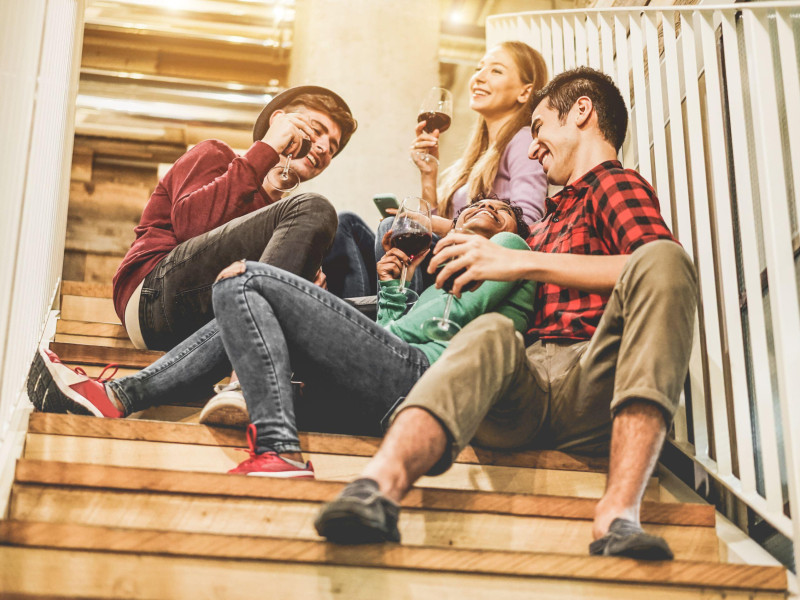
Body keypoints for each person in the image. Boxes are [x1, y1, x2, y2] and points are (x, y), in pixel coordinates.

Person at [314, 67, 698, 562]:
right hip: (527, 384)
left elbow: (654, 263)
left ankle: (618, 515)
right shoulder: (549, 221)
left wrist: (521, 260)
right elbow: (485, 238)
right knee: (492, 329)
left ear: (581, 111)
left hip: (593, 382)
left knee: (666, 259)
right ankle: (376, 489)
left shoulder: (613, 184)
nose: (534, 148)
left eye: (537, 128)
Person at [28, 198, 535, 479]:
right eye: (474, 205)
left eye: (495, 208)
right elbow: (397, 330)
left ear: (514, 230)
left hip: (423, 385)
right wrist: (392, 289)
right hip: (386, 387)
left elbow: (438, 330)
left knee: (245, 280)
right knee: (250, 315)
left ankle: (271, 445)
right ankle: (119, 398)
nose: (477, 209)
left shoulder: (507, 249)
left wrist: (327, 318)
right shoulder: (448, 265)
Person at [112, 85, 358, 353]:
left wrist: (300, 284)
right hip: (152, 298)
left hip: (214, 323)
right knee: (315, 208)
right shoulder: (214, 154)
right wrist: (268, 149)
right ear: (279, 121)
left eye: (332, 147)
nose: (323, 147)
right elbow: (192, 229)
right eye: (316, 129)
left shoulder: (287, 225)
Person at [322, 41, 549, 298]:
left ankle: (396, 321)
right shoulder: (479, 154)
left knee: (393, 228)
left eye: (495, 71)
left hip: (480, 262)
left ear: (525, 91)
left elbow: (527, 224)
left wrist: (430, 223)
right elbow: (444, 227)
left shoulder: (522, 141)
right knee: (346, 223)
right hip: (450, 252)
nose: (478, 78)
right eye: (479, 68)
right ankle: (358, 316)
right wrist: (428, 175)